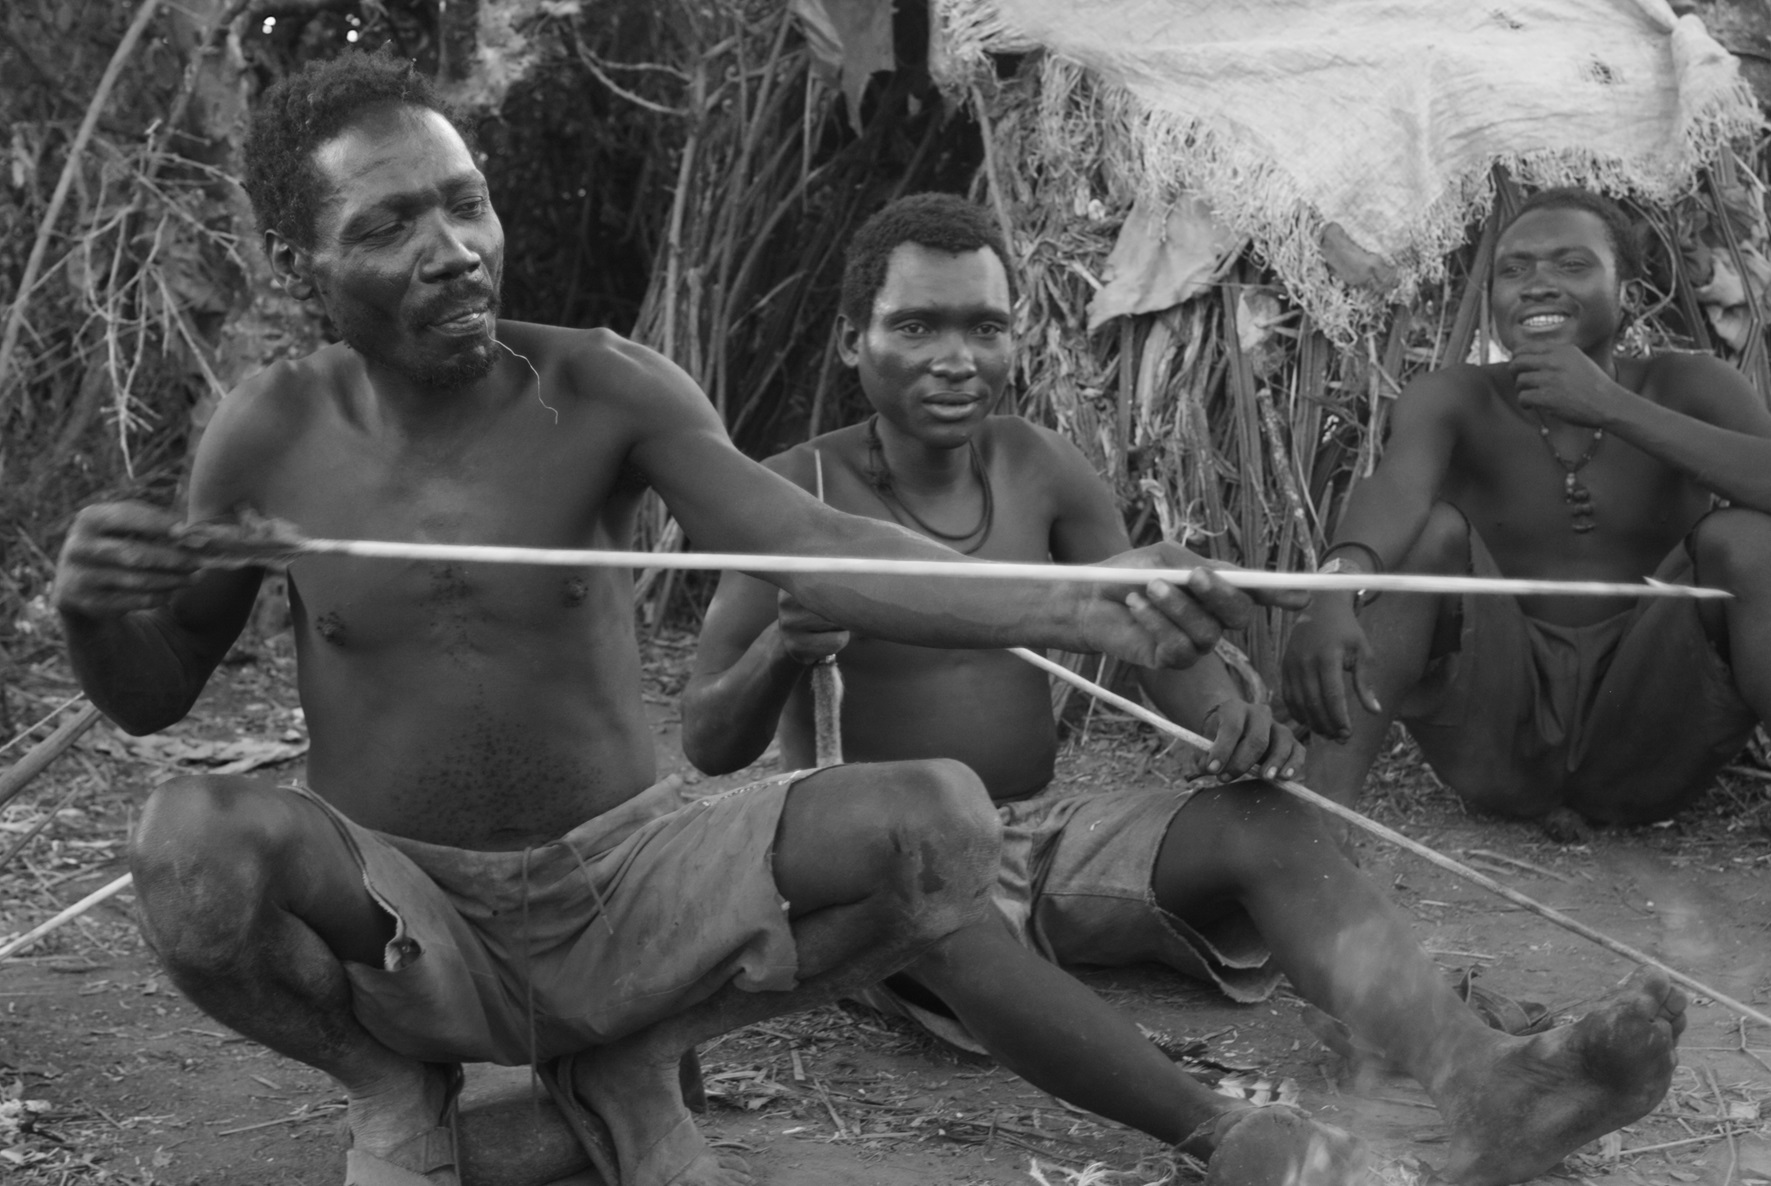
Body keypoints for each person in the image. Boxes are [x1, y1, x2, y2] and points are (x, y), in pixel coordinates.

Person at [51, 54, 1299, 1186]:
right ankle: (391, 1090)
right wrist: (95, 611)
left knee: (939, 823)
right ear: (297, 264)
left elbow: (806, 544)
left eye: (465, 201)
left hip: (623, 886)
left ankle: (636, 1055)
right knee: (188, 842)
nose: (453, 248)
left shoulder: (600, 383)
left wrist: (1090, 603)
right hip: (404, 910)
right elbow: (153, 693)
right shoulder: (267, 432)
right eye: (388, 224)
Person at [681, 193, 1689, 1186]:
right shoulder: (794, 497)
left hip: (1038, 827)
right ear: (852, 343)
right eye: (916, 326)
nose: (956, 356)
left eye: (983, 327)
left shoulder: (1038, 467)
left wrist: (1223, 713)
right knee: (940, 886)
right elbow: (707, 740)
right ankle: (1220, 1131)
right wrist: (779, 649)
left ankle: (1485, 1087)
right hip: (886, 861)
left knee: (1262, 825)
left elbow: (1149, 626)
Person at [1281, 187, 1771, 840]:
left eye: (1571, 265)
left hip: (1653, 735)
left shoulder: (1690, 386)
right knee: (1429, 534)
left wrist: (1609, 405)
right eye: (1512, 270)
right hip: (1495, 742)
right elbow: (1397, 488)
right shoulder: (1452, 398)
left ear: (1626, 291)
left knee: (1747, 539)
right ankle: (1313, 825)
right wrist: (1336, 584)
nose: (1536, 284)